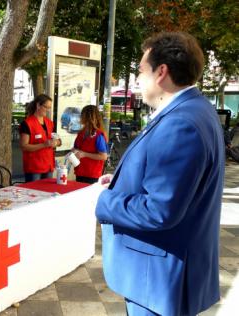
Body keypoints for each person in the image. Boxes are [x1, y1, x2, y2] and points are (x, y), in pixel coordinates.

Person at [94, 32, 224, 315]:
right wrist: (120, 183)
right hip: (162, 274)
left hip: (158, 280)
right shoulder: (194, 110)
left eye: (141, 71)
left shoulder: (181, 123)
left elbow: (160, 210)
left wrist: (104, 200)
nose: (137, 80)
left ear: (161, 72)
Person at [19, 94, 61, 182]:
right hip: (34, 168)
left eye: (49, 107)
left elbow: (58, 140)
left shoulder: (49, 123)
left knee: (47, 193)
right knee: (34, 193)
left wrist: (56, 142)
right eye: (46, 107)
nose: (48, 110)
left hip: (48, 165)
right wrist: (43, 144)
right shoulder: (27, 124)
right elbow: (24, 146)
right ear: (38, 105)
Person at [71, 105, 107, 184]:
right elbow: (76, 148)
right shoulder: (81, 133)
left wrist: (84, 154)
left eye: (82, 115)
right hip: (80, 171)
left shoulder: (98, 135)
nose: (80, 117)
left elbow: (104, 156)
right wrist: (74, 151)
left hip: (92, 175)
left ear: (87, 117)